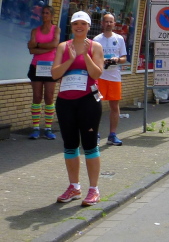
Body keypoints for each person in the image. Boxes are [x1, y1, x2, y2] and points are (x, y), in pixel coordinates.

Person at [50, 11, 105, 206]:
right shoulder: (63, 46)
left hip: (88, 101)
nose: (79, 27)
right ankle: (74, 187)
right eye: (75, 24)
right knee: (70, 144)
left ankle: (94, 189)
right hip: (65, 101)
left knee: (90, 145)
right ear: (71, 26)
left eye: (83, 23)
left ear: (89, 26)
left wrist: (85, 56)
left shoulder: (95, 46)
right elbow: (54, 74)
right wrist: (70, 59)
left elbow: (96, 73)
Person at [93, 13, 128, 146]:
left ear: (114, 23)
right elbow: (92, 58)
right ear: (102, 23)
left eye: (110, 22)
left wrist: (117, 60)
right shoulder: (97, 39)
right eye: (106, 21)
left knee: (114, 106)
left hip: (114, 77)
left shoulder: (119, 39)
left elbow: (124, 58)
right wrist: (102, 60)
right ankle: (95, 134)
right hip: (99, 77)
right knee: (95, 107)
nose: (108, 24)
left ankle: (112, 135)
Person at [27, 5, 61, 140]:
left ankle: (48, 128)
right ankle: (36, 128)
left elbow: (55, 44)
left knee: (49, 97)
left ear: (52, 15)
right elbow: (31, 49)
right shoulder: (35, 30)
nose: (44, 15)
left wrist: (38, 45)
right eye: (43, 13)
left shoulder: (56, 29)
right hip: (36, 66)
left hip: (50, 67)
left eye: (47, 13)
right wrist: (47, 47)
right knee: (36, 97)